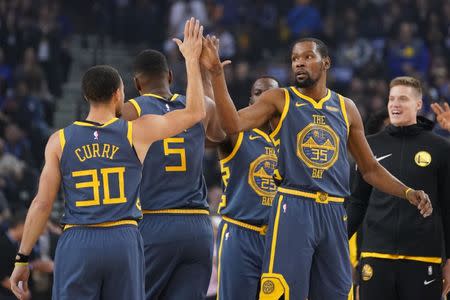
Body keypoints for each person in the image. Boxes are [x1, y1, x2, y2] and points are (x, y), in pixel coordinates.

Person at [200, 36, 433, 300]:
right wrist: (217, 74)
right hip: (294, 206)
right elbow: (232, 125)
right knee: (284, 293)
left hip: (334, 210)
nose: (299, 63)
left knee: (337, 292)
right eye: (295, 59)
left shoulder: (346, 108)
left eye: (308, 57)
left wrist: (407, 192)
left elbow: (369, 169)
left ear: (326, 63)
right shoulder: (279, 99)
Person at [9, 17, 206, 300]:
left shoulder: (59, 140)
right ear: (118, 94)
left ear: (87, 96)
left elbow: (42, 204)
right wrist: (191, 60)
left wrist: (22, 259)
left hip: (78, 239)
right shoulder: (136, 131)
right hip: (122, 238)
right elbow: (196, 112)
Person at [120, 25, 224, 300]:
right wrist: (204, 71)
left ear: (137, 84)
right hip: (199, 227)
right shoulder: (202, 107)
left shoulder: (131, 111)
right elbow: (218, 136)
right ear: (169, 75)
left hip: (155, 221)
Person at [347, 76, 450, 300]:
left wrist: (449, 260)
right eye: (392, 99)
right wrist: (335, 241)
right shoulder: (369, 145)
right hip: (375, 256)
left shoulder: (440, 148)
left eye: (403, 98)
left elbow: (448, 208)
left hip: (423, 259)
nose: (395, 104)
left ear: (418, 104)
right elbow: (357, 202)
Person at [216, 76, 279, 300]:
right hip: (241, 232)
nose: (265, 98)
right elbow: (215, 118)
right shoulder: (237, 134)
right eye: (259, 92)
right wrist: (212, 75)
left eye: (272, 94)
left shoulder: (290, 141)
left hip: (279, 238)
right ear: (251, 101)